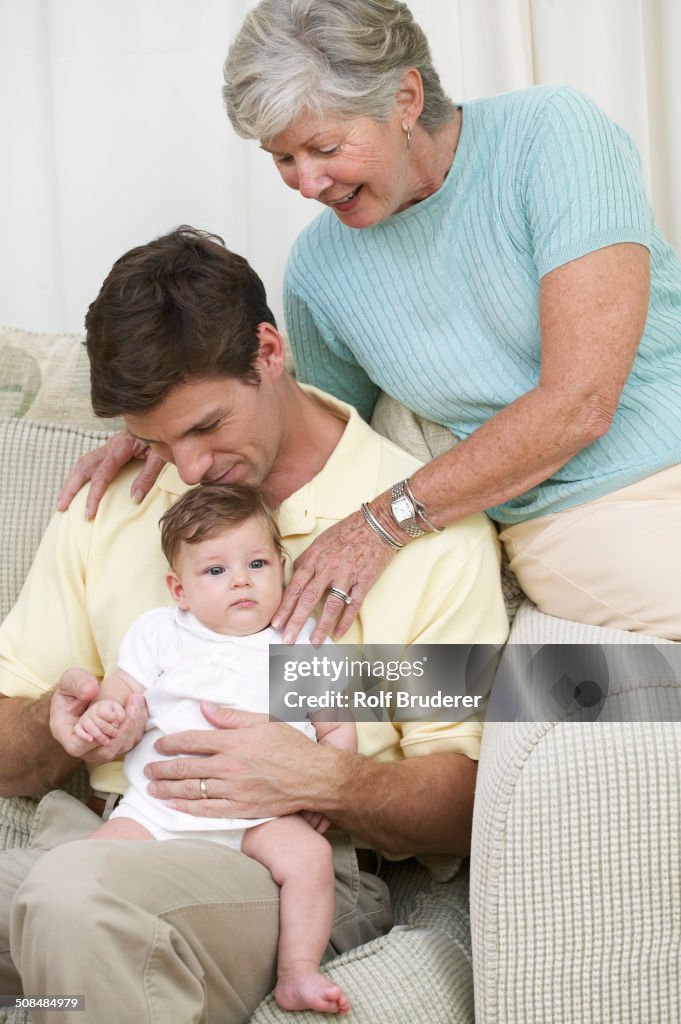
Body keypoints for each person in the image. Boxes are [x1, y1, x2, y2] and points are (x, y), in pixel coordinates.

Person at [0, 227, 508, 1023]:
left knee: (72, 901)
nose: (187, 468)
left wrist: (325, 778)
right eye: (157, 438)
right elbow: (9, 735)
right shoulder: (119, 500)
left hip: (273, 862)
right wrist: (55, 723)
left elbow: (468, 798)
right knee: (73, 895)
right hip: (111, 830)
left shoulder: (419, 531)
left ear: (269, 351)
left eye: (205, 426)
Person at [62, 0, 681, 642]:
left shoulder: (553, 134)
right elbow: (324, 438)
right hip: (584, 513)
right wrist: (171, 423)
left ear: (405, 98)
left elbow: (582, 401)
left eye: (323, 147)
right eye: (282, 159)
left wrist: (384, 521)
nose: (305, 183)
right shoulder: (320, 270)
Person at [72, 483, 354, 1015]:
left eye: (256, 563)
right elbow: (119, 693)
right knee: (83, 872)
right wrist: (107, 714)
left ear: (282, 566)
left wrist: (324, 788)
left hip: (260, 816)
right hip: (159, 806)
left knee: (311, 858)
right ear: (179, 590)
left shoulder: (301, 642)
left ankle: (298, 969)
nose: (241, 580)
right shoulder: (161, 633)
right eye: (216, 571)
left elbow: (336, 730)